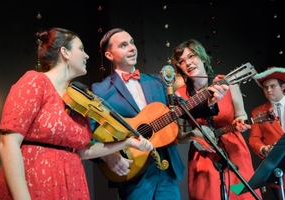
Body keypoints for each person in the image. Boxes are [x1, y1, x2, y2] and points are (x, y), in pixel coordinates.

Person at [0, 27, 154, 200]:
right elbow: (8, 144)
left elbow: (83, 151)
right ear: (65, 52)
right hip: (35, 181)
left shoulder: (78, 100)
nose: (87, 56)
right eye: (81, 49)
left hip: (71, 183)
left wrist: (126, 143)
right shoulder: (35, 82)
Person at [90, 28, 229, 200]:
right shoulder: (101, 90)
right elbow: (89, 133)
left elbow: (183, 109)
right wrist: (106, 156)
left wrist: (209, 101)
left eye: (132, 42)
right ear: (109, 55)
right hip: (134, 171)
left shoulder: (157, 81)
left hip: (166, 168)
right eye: (124, 45)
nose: (132, 48)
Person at [172, 39, 262, 199]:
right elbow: (179, 136)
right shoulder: (180, 95)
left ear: (203, 58)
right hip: (203, 155)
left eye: (191, 56)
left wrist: (240, 121)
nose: (188, 63)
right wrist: (194, 134)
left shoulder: (227, 83)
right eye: (182, 61)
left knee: (241, 194)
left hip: (234, 152)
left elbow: (241, 114)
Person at [249, 66, 285, 200]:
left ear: (283, 86)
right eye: (265, 87)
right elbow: (254, 139)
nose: (268, 90)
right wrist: (264, 149)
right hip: (278, 172)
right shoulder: (257, 112)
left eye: (272, 86)